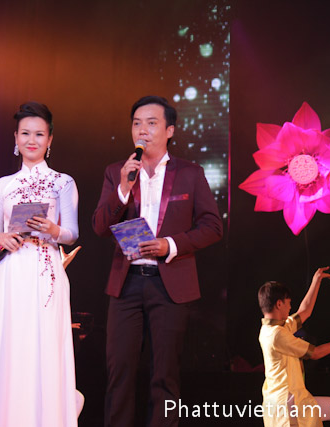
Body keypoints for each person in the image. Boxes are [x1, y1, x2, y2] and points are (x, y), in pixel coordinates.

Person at [92, 95, 223, 426]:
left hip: (169, 283)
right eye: (137, 123)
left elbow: (213, 226)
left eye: (151, 123)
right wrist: (123, 189)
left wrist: (170, 245)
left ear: (170, 130)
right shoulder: (116, 172)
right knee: (119, 372)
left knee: (165, 375)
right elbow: (99, 227)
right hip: (126, 284)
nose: (143, 130)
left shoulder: (190, 173)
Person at [0, 101, 81, 427]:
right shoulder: (2, 185)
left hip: (45, 271)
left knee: (43, 346)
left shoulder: (63, 182)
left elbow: (72, 232)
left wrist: (53, 230)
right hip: (10, 272)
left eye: (39, 134)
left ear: (50, 139)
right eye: (25, 133)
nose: (31, 140)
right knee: (8, 346)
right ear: (15, 138)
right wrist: (0, 238)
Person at [258, 267, 330, 427]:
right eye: (288, 304)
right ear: (279, 304)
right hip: (288, 405)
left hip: (295, 400)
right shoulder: (277, 334)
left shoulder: (275, 328)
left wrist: (316, 281)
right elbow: (316, 353)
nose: (290, 308)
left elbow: (305, 311)